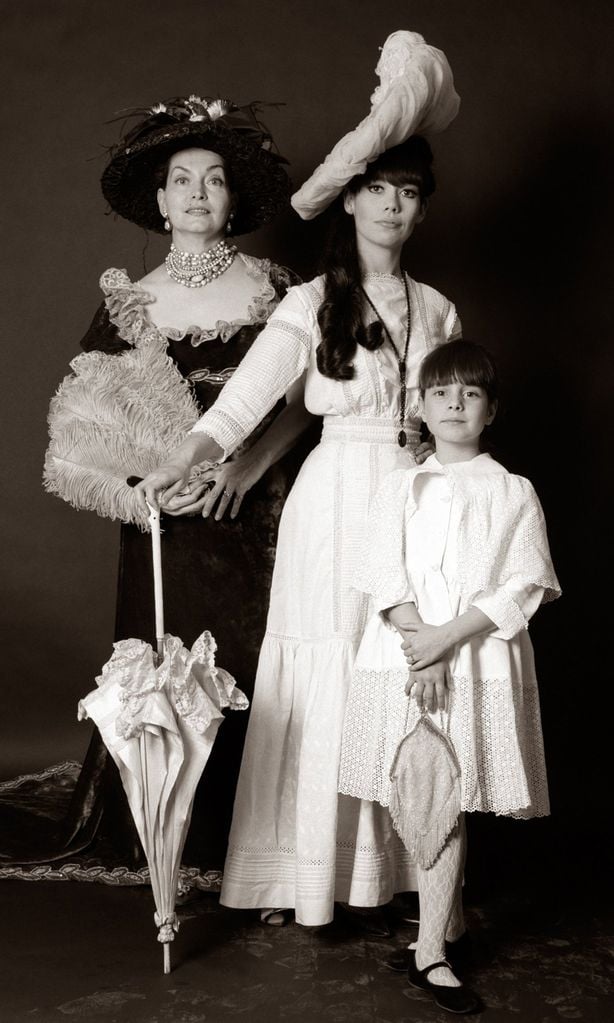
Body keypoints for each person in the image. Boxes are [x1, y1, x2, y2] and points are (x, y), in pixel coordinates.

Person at [136, 31, 462, 926]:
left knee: (398, 674)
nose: (392, 206)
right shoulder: (311, 303)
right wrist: (182, 460)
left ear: (420, 209)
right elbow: (238, 408)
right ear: (349, 201)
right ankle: (301, 877)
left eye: (408, 194)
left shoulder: (437, 308)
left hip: (415, 501)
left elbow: (455, 429)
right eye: (377, 190)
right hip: (334, 499)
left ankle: (391, 876)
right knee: (319, 672)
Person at [0, 95, 317, 884]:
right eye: (183, 181)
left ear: (234, 197)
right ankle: (163, 820)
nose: (199, 194)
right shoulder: (130, 303)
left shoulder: (279, 287)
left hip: (264, 510)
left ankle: (263, 837)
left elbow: (310, 400)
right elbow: (85, 432)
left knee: (264, 665)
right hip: (165, 525)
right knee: (167, 660)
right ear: (161, 199)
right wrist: (149, 487)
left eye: (214, 180)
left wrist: (245, 470)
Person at [338, 340, 561, 1012]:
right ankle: (442, 934)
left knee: (445, 794)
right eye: (442, 393)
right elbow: (382, 570)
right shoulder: (399, 484)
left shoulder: (513, 491)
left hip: (474, 656)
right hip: (405, 657)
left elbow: (524, 582)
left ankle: (432, 946)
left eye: (470, 393)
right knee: (425, 789)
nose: (456, 403)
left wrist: (443, 643)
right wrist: (420, 645)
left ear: (491, 409)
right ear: (422, 407)